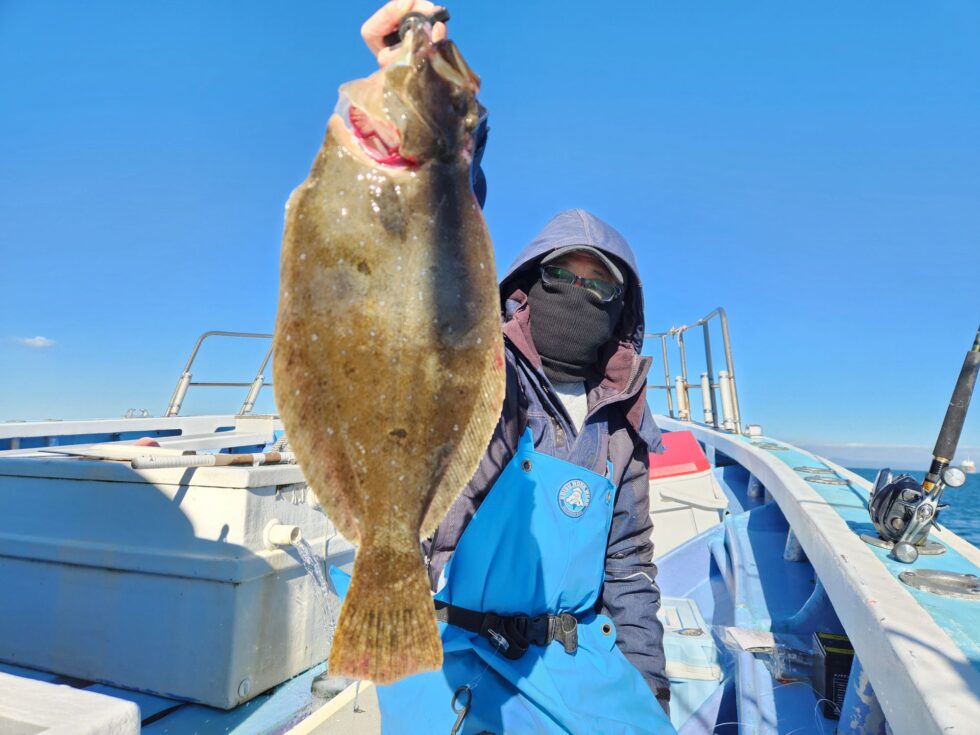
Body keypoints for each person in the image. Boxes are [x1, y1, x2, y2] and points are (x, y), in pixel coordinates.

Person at [359, 3, 675, 733]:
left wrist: (649, 687)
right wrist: (429, 100)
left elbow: (629, 567)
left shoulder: (622, 421)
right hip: (452, 650)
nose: (581, 295)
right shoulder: (479, 365)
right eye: (564, 275)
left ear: (622, 313)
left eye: (602, 287)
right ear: (528, 286)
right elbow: (439, 241)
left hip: (578, 660)